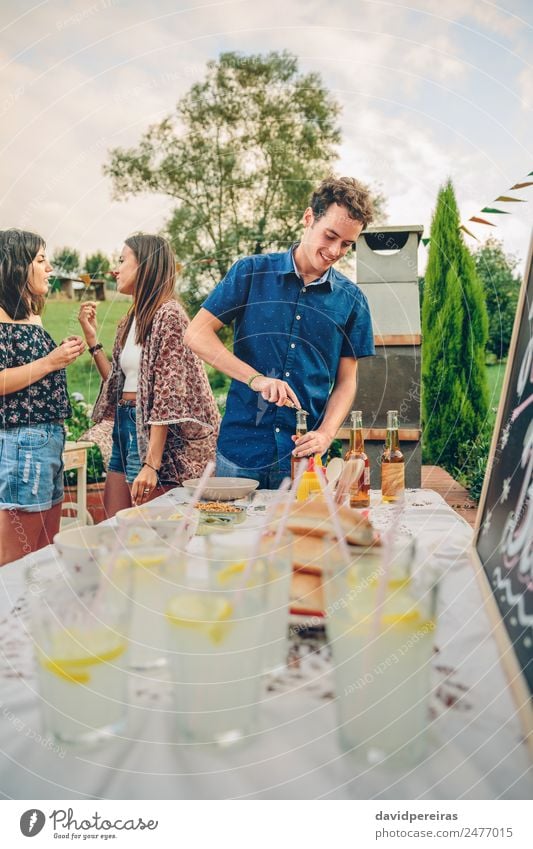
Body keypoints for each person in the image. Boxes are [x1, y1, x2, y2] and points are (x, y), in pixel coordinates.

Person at [184, 176, 375, 488]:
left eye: (346, 244)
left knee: (299, 538)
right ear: (308, 217)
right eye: (330, 236)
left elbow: (346, 382)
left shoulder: (353, 300)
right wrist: (255, 379)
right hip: (239, 454)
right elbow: (196, 335)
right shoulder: (251, 272)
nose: (335, 250)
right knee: (231, 536)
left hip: (303, 459)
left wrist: (326, 434)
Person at [78, 234, 219, 518]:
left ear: (145, 265)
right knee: (115, 526)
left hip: (154, 435)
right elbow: (116, 385)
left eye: (121, 260)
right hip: (125, 425)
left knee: (147, 531)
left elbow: (169, 396)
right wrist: (93, 341)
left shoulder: (169, 315)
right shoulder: (129, 319)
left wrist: (152, 464)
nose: (115, 269)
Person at [0, 229, 85, 566]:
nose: (49, 268)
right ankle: (11, 618)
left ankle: (35, 618)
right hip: (23, 440)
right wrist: (51, 361)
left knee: (46, 551)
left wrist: (60, 354)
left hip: (48, 438)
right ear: (17, 266)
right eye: (40, 260)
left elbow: (34, 370)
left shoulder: (30, 314)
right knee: (17, 559)